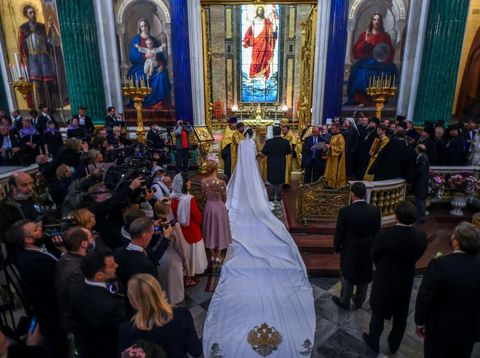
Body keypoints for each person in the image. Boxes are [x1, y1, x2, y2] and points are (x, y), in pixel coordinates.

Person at [203, 107, 315, 356]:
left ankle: (246, 202)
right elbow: (254, 159)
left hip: (241, 173)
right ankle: (258, 203)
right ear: (254, 135)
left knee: (240, 195)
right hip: (252, 172)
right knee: (258, 199)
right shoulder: (252, 144)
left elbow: (243, 161)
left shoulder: (239, 142)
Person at [363, 201, 427, 354]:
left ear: (396, 216)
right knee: (400, 316)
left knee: (378, 313)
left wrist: (382, 266)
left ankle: (373, 342)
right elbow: (418, 255)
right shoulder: (421, 236)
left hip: (384, 279)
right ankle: (394, 345)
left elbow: (374, 255)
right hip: (405, 281)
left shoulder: (385, 234)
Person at [415, 222, 480, 358]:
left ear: (456, 241)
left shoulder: (440, 264)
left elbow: (425, 297)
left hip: (439, 330)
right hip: (468, 330)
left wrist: (420, 322)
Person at [5, 220, 68, 358]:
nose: (40, 230)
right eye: (35, 230)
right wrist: (65, 253)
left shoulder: (41, 243)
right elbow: (59, 279)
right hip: (52, 311)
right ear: (28, 240)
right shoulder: (32, 263)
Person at [118, 274, 202, 357]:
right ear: (159, 292)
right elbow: (195, 351)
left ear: (134, 303)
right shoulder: (181, 314)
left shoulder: (126, 331)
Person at [69, 249, 127, 358]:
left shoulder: (74, 289)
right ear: (99, 275)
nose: (117, 265)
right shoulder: (113, 305)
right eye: (112, 265)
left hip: (85, 348)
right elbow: (120, 335)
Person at [332, 182, 381, 310]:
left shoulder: (345, 211)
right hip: (367, 250)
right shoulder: (375, 211)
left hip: (350, 250)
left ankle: (344, 301)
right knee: (364, 277)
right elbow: (377, 232)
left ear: (352, 194)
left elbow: (339, 233)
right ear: (364, 195)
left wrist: (336, 248)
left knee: (347, 276)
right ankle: (359, 302)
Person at [346, 13, 398, 106]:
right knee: (361, 73)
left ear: (381, 22)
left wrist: (383, 58)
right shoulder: (364, 35)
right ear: (372, 21)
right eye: (374, 19)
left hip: (381, 63)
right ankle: (363, 100)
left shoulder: (385, 36)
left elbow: (389, 52)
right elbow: (357, 51)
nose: (376, 21)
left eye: (378, 19)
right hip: (367, 62)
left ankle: (376, 99)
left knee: (383, 74)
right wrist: (365, 41)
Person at [113, 217, 171, 294]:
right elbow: (153, 258)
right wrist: (166, 237)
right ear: (144, 236)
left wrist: (154, 228)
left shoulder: (117, 252)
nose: (151, 237)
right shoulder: (144, 264)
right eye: (151, 234)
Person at [171, 173, 208, 287]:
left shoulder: (172, 198)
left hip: (179, 231)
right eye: (187, 181)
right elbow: (197, 216)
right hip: (192, 230)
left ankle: (183, 275)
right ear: (181, 184)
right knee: (192, 255)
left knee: (182, 253)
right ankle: (190, 277)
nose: (189, 183)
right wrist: (201, 222)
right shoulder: (189, 199)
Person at [54, 226, 95, 329]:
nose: (93, 238)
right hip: (78, 323)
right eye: (90, 237)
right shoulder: (80, 270)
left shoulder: (65, 257)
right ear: (84, 243)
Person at [128, 17, 171, 109]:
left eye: (145, 26)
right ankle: (142, 104)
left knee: (162, 75)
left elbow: (159, 55)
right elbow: (133, 57)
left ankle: (158, 102)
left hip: (155, 65)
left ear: (148, 27)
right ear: (140, 28)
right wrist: (144, 57)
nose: (144, 28)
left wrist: (161, 65)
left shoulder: (153, 40)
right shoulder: (136, 40)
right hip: (140, 67)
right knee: (139, 78)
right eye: (142, 26)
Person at [17, 6, 55, 109]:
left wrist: (51, 28)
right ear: (26, 15)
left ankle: (50, 107)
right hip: (32, 59)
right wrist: (22, 60)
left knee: (47, 83)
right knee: (36, 83)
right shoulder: (23, 28)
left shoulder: (42, 27)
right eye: (30, 13)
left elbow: (50, 41)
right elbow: (20, 46)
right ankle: (38, 108)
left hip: (44, 57)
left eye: (33, 12)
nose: (33, 14)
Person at [154, 199, 190, 305]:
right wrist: (185, 260)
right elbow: (181, 246)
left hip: (159, 257)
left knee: (163, 286)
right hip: (172, 259)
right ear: (169, 210)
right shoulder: (174, 226)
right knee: (175, 290)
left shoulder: (154, 224)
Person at [201, 159, 232, 264]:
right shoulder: (221, 183)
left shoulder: (203, 181)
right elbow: (224, 198)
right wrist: (219, 202)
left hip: (209, 207)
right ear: (216, 169)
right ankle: (218, 256)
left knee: (210, 229)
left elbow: (204, 196)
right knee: (220, 230)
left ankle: (212, 255)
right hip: (219, 207)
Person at [242, 6, 278, 81]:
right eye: (258, 10)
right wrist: (246, 9)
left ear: (263, 12)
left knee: (263, 59)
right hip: (256, 43)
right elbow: (247, 20)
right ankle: (252, 75)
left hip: (264, 43)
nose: (260, 12)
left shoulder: (266, 21)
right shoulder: (254, 20)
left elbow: (273, 28)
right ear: (256, 11)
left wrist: (274, 14)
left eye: (261, 10)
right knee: (254, 60)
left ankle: (263, 76)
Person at [261, 126, 292, 200]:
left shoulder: (269, 142)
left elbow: (264, 152)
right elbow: (289, 152)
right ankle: (279, 196)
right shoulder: (285, 141)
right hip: (281, 162)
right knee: (280, 179)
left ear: (273, 133)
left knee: (271, 179)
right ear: (280, 132)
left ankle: (271, 196)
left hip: (271, 162)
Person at [324, 122, 347, 188]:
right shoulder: (333, 136)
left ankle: (335, 185)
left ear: (337, 128)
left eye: (333, 128)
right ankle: (330, 184)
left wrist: (330, 147)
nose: (331, 130)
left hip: (337, 158)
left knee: (335, 171)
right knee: (330, 171)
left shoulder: (340, 137)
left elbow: (341, 149)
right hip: (332, 157)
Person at [414, 144, 429, 223]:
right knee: (420, 200)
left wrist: (413, 173)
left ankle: (421, 218)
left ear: (418, 150)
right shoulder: (423, 156)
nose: (415, 149)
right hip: (421, 182)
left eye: (416, 148)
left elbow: (420, 169)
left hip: (421, 182)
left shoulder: (422, 157)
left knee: (420, 200)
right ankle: (420, 217)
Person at [280, 119, 299, 186]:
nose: (283, 131)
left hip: (288, 154)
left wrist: (293, 152)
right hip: (282, 154)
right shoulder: (283, 134)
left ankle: (287, 182)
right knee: (282, 167)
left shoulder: (291, 135)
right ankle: (283, 181)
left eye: (284, 129)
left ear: (287, 129)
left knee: (287, 168)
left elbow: (294, 144)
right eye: (282, 129)